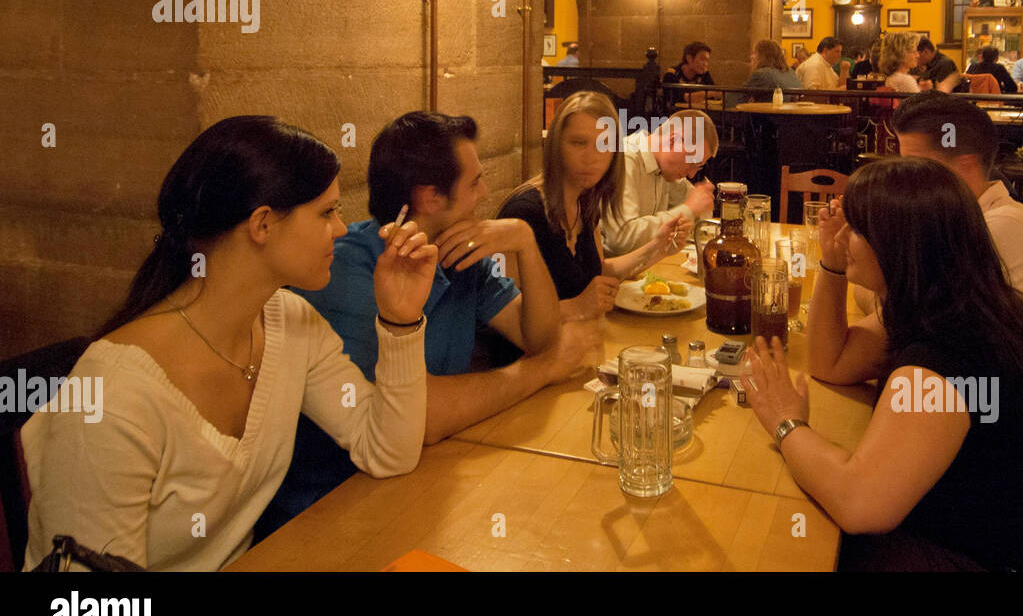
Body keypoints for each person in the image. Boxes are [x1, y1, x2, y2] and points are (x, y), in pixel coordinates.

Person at [22, 116, 433, 570]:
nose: (340, 229)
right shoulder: (112, 396)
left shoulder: (290, 322)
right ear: (262, 224)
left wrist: (400, 320)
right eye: (326, 212)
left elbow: (388, 450)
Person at [743, 158, 1023, 571]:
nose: (843, 237)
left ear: (900, 244)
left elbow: (860, 503)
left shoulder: (950, 353)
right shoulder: (948, 302)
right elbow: (832, 362)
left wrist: (785, 422)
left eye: (857, 229)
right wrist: (831, 263)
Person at [261, 112, 598, 533]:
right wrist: (542, 370)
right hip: (331, 509)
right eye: (475, 182)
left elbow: (541, 337)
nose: (486, 192)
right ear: (430, 198)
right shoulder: (346, 270)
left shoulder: (457, 254)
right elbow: (422, 417)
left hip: (423, 478)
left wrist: (524, 242)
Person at [885, 92, 1023, 387]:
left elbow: (923, 330)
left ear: (965, 166)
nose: (903, 180)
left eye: (915, 167)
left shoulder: (1004, 228)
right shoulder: (961, 220)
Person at [498, 92, 685, 322]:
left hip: (581, 343)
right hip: (533, 356)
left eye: (604, 144)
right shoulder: (524, 213)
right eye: (578, 143)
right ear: (556, 146)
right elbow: (503, 316)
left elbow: (597, 272)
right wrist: (575, 307)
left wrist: (658, 247)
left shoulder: (585, 203)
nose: (592, 157)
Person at [601, 110, 718, 256]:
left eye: (698, 166)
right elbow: (621, 239)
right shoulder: (625, 160)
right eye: (693, 162)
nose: (691, 174)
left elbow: (701, 208)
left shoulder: (664, 168)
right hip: (611, 273)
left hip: (645, 265)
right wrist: (688, 210)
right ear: (673, 141)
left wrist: (698, 204)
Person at [734, 38, 802, 103]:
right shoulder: (791, 72)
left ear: (762, 56)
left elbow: (737, 98)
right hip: (792, 114)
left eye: (754, 53)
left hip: (770, 114)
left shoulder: (762, 74)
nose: (751, 56)